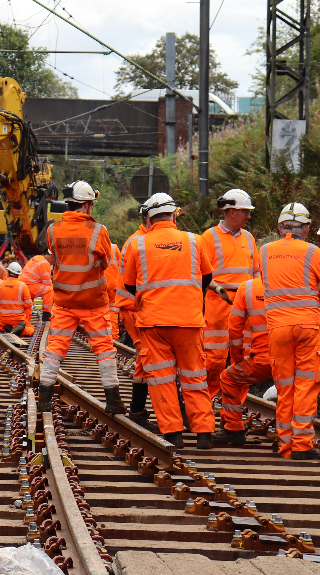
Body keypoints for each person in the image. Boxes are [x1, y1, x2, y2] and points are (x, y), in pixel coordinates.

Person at [123, 192, 215, 449]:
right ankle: (204, 434)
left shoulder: (137, 244)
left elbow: (130, 284)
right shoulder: (194, 241)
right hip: (189, 321)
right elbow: (206, 278)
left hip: (153, 323)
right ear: (174, 215)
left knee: (161, 380)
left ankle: (173, 434)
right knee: (194, 376)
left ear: (149, 218)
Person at [38, 180, 126, 414]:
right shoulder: (98, 230)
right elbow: (106, 261)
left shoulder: (53, 230)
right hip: (93, 302)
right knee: (104, 349)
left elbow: (53, 258)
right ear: (87, 205)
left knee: (55, 348)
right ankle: (114, 401)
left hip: (64, 302)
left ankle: (45, 398)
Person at [259, 203, 320, 460]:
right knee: (306, 384)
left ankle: (285, 445)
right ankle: (302, 445)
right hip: (308, 326)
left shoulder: (263, 252)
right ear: (306, 228)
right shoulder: (314, 252)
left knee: (284, 386)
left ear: (279, 227)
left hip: (277, 327)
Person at [199, 189, 259, 397]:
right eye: (245, 211)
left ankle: (233, 411)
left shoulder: (249, 238)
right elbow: (201, 272)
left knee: (243, 359)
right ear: (231, 211)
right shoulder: (209, 237)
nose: (249, 216)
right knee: (214, 359)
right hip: (218, 304)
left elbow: (257, 272)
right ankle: (202, 405)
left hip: (246, 306)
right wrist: (217, 288)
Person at [212, 277, 271, 445]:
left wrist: (237, 358)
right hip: (295, 359)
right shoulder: (299, 286)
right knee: (292, 390)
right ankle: (294, 437)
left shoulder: (249, 287)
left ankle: (233, 429)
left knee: (228, 378)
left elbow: (235, 327)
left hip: (263, 360)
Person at [117, 204, 151, 427]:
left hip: (138, 309)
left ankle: (137, 410)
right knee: (148, 355)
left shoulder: (141, 240)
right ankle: (138, 409)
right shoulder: (139, 242)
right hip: (134, 309)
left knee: (145, 356)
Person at [0, 261, 35, 336]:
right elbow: (28, 305)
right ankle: (20, 329)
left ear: (8, 272)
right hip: (18, 320)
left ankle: (6, 328)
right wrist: (25, 321)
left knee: (0, 326)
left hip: (4, 320)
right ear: (18, 274)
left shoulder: (1, 284)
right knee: (31, 329)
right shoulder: (22, 285)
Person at [21, 253, 54, 321]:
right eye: (55, 261)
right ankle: (46, 314)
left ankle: (24, 321)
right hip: (28, 287)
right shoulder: (45, 264)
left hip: (22, 286)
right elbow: (48, 284)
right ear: (51, 257)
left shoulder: (37, 257)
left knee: (27, 307)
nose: (54, 263)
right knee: (50, 290)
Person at [105, 242, 122, 340]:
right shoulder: (114, 247)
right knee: (113, 311)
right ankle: (113, 338)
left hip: (99, 285)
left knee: (96, 312)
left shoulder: (92, 245)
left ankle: (98, 338)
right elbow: (121, 265)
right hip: (113, 284)